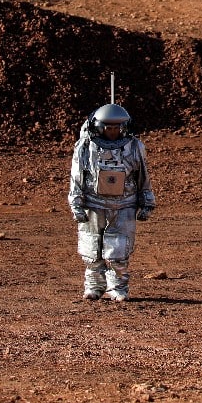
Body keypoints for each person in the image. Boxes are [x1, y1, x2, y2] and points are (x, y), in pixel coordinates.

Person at [68, 103, 155, 302]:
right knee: (92, 250)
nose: (113, 132)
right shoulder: (86, 146)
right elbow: (77, 176)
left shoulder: (134, 147)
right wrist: (76, 203)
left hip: (124, 204)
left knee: (119, 251)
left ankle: (118, 287)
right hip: (94, 204)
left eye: (117, 128)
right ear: (98, 127)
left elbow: (143, 175)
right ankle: (94, 286)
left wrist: (147, 201)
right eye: (108, 128)